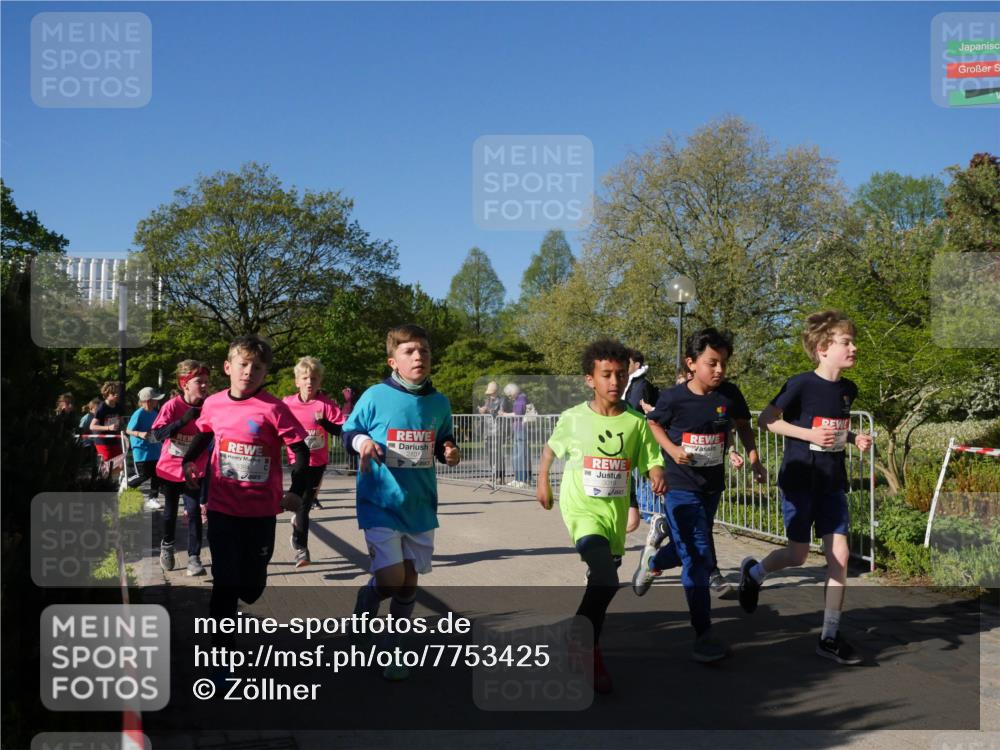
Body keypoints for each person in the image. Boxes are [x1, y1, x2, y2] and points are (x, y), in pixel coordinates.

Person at [740, 311, 873, 666]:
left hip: (832, 482)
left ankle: (829, 636)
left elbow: (833, 430)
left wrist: (853, 437)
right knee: (798, 555)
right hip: (800, 481)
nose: (854, 347)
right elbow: (768, 421)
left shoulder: (848, 390)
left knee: (839, 558)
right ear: (823, 348)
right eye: (847, 342)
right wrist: (807, 434)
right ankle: (755, 573)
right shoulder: (800, 384)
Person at [537, 339, 666, 694]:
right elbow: (550, 450)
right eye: (606, 374)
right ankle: (584, 648)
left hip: (614, 515)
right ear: (589, 379)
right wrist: (543, 482)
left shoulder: (636, 422)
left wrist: (656, 472)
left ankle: (582, 643)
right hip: (581, 510)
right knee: (607, 580)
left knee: (601, 582)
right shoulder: (574, 418)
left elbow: (650, 457)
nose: (614, 381)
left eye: (620, 374)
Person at [634, 327, 766, 663]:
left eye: (723, 363)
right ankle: (703, 633)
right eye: (712, 363)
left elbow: (744, 425)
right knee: (698, 555)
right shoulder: (674, 398)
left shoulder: (730, 395)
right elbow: (653, 424)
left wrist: (754, 459)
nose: (720, 369)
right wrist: (671, 450)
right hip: (679, 486)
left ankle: (654, 562)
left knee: (687, 550)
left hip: (711, 487)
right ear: (691, 363)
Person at [345, 324, 460, 681]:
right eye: (410, 352)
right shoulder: (376, 395)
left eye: (424, 350)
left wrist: (450, 450)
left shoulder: (439, 402)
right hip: (380, 500)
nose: (419, 357)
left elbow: (444, 439)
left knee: (409, 583)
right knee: (392, 579)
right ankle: (369, 599)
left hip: (420, 505)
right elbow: (350, 429)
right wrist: (363, 442)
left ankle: (395, 646)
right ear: (393, 361)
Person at [181, 335, 310, 644]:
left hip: (261, 512)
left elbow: (302, 451)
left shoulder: (274, 409)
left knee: (251, 589)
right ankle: (221, 657)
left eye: (257, 367)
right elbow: (202, 434)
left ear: (265, 374)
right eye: (243, 364)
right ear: (228, 367)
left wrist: (296, 490)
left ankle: (247, 585)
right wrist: (188, 463)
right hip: (222, 508)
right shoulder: (213, 404)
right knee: (224, 584)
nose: (249, 372)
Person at [282, 356, 345, 567]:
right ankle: (302, 549)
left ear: (320, 382)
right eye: (306, 378)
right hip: (297, 461)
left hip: (317, 462)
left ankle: (297, 531)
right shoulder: (287, 404)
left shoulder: (325, 404)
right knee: (302, 505)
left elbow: (342, 430)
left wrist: (324, 422)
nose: (310, 382)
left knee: (305, 505)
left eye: (315, 378)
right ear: (297, 381)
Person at [151, 361, 211, 576]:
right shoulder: (172, 406)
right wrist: (183, 420)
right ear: (184, 384)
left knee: (194, 511)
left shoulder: (209, 407)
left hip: (195, 469)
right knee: (169, 513)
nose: (204, 386)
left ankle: (194, 558)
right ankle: (167, 544)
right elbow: (157, 434)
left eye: (206, 382)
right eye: (198, 382)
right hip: (170, 467)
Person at [125, 386, 164, 509]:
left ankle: (152, 498)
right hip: (141, 451)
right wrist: (140, 434)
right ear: (148, 401)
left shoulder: (154, 413)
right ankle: (127, 484)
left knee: (157, 474)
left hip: (155, 449)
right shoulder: (138, 413)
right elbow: (128, 430)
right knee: (144, 475)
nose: (157, 401)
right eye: (155, 399)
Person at [92, 381, 125, 473]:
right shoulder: (102, 407)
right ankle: (103, 480)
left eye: (117, 393)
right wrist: (108, 428)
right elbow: (92, 426)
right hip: (102, 441)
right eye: (114, 393)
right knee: (108, 466)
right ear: (107, 394)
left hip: (114, 439)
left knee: (121, 465)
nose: (116, 395)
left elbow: (122, 422)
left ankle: (104, 478)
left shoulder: (119, 407)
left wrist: (124, 428)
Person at [477, 380, 507, 484]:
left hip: (497, 430)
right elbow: (484, 411)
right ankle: (493, 475)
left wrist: (488, 410)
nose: (490, 394)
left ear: (495, 391)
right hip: (487, 430)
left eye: (491, 392)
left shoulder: (502, 400)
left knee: (498, 454)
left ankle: (501, 477)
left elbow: (500, 413)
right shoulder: (487, 400)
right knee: (490, 454)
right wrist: (481, 410)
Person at [503, 383, 532, 488]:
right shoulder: (521, 398)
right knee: (517, 455)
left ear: (513, 392)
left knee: (520, 455)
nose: (509, 398)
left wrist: (505, 414)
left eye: (509, 395)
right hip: (519, 429)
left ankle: (522, 480)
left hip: (521, 429)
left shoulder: (520, 399)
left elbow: (518, 415)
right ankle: (518, 478)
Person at [341, 387, 358, 471]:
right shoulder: (348, 404)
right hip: (346, 428)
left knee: (350, 447)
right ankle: (351, 465)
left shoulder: (350, 403)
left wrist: (346, 391)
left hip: (350, 429)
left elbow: (348, 397)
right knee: (347, 448)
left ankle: (352, 466)